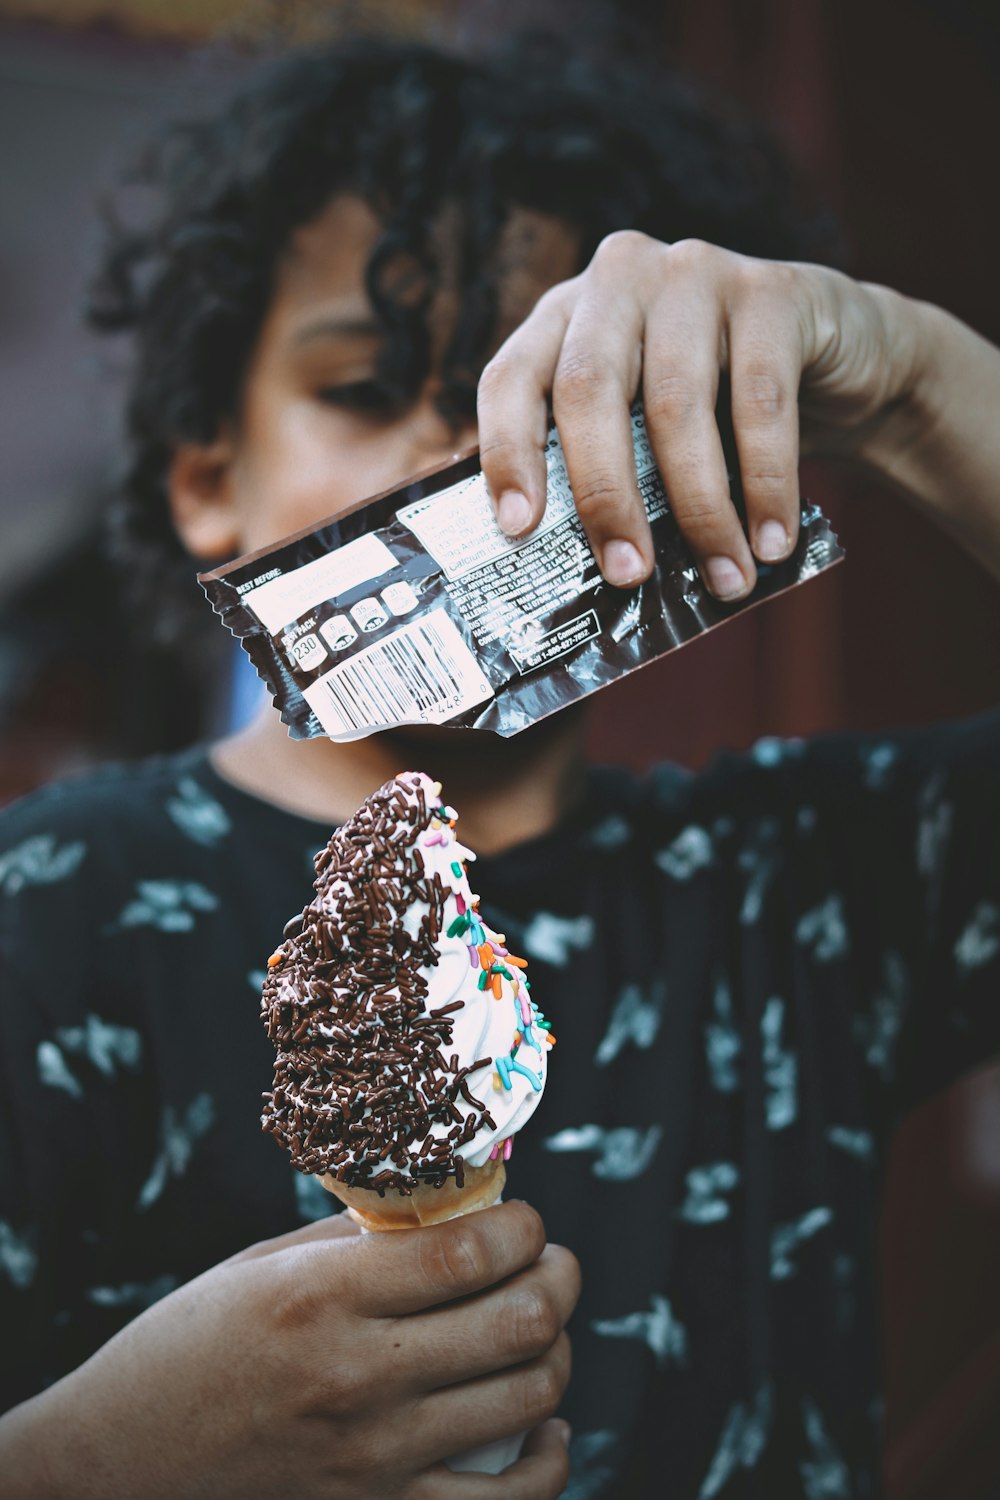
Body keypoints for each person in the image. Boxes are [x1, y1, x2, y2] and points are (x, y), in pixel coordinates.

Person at [1, 31, 999, 1500]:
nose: (459, 456)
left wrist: (917, 384)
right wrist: (91, 1462)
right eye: (364, 385)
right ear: (208, 479)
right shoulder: (41, 908)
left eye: (548, 395)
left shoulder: (808, 882)